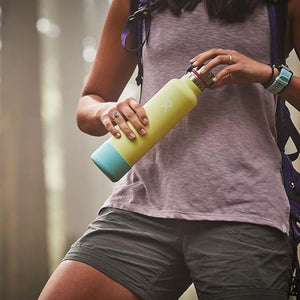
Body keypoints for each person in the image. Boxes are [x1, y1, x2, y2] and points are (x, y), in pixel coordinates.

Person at [39, 0, 300, 299]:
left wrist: (270, 75)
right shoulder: (136, 3)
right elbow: (90, 100)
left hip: (245, 211)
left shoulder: (283, 4)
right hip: (142, 205)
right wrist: (106, 111)